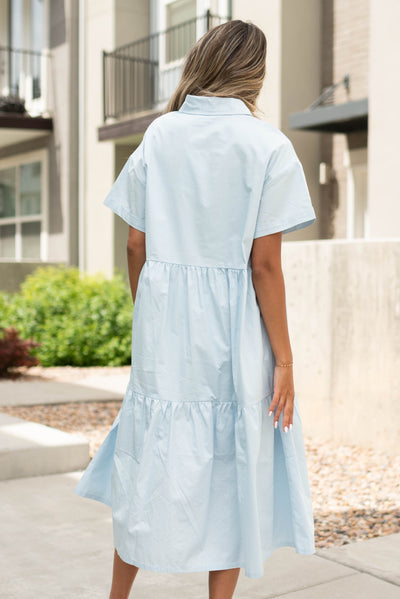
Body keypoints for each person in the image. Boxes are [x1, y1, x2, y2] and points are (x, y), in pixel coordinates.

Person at [74, 17, 317, 599]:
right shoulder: (269, 146)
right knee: (232, 465)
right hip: (236, 334)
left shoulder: (161, 134)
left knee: (146, 460)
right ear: (254, 74)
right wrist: (284, 360)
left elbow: (136, 244)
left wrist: (153, 308)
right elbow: (264, 267)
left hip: (167, 328)